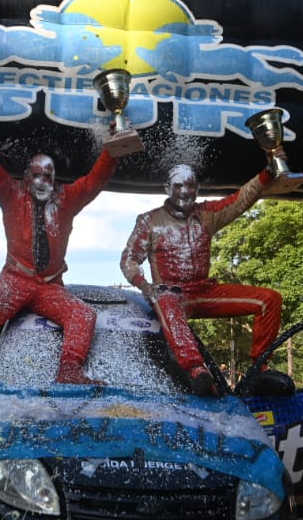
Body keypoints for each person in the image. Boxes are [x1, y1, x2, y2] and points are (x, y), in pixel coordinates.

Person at [0, 95, 121, 384]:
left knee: (83, 316)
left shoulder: (66, 199)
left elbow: (96, 179)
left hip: (50, 286)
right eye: (38, 175)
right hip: (14, 279)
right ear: (27, 177)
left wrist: (114, 149)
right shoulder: (10, 192)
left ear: (55, 179)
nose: (44, 181)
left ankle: (69, 369)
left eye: (49, 176)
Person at [121, 163, 283, 396]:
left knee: (269, 299)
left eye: (189, 185)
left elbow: (241, 199)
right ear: (168, 188)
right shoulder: (149, 221)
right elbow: (129, 259)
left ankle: (260, 368)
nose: (184, 191)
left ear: (197, 189)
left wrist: (268, 172)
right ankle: (197, 370)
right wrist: (145, 286)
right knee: (165, 298)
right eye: (178, 185)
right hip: (172, 295)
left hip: (205, 291)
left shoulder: (208, 214)